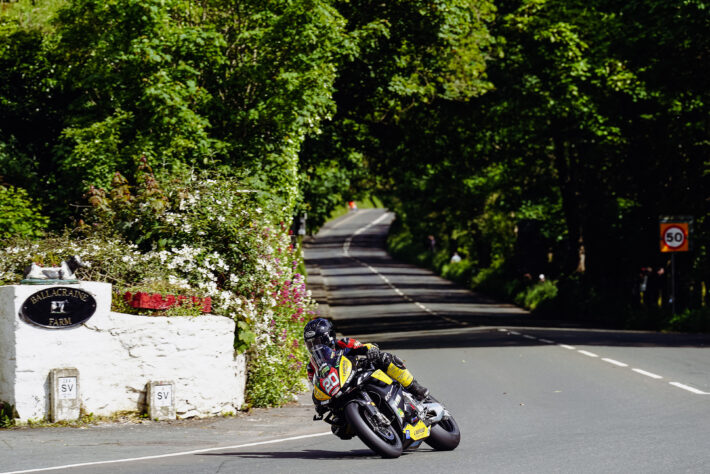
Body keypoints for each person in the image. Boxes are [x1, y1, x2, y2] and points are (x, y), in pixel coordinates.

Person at [304, 318, 429, 403]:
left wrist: (371, 350)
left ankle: (414, 387)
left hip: (361, 374)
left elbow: (363, 346)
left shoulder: (343, 343)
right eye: (311, 344)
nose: (315, 347)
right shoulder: (312, 366)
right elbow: (316, 385)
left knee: (384, 358)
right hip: (340, 391)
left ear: (329, 338)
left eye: (317, 342)